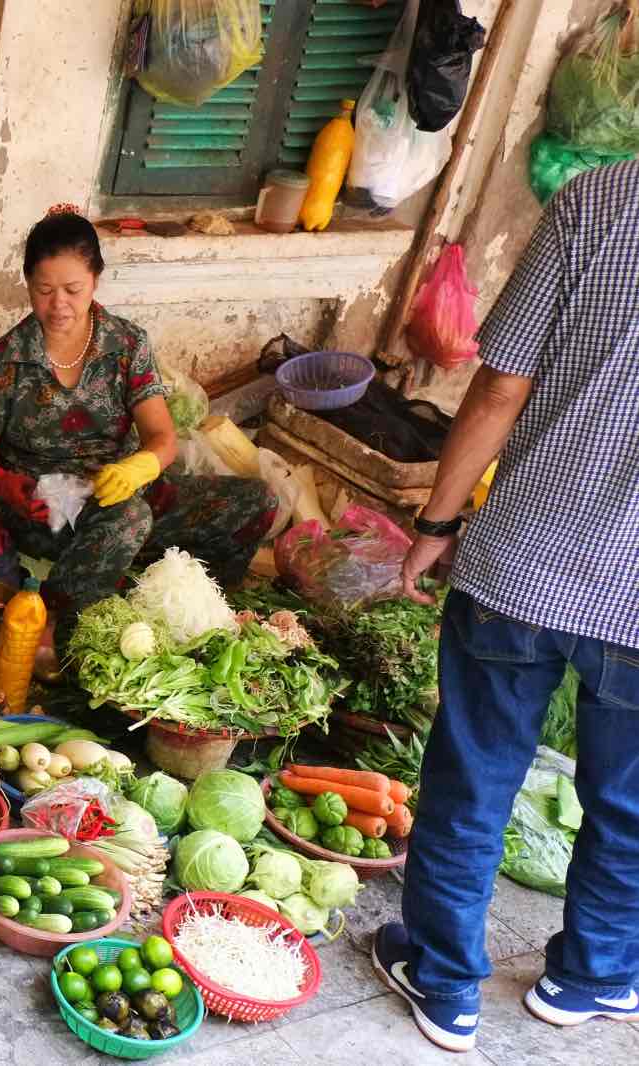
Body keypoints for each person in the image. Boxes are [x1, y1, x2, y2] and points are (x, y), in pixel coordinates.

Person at [373, 161, 639, 1052]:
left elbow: (498, 385)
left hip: (524, 563)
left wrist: (436, 520)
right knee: (631, 802)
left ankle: (445, 984)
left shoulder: (598, 202)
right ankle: (593, 975)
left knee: (474, 778)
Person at [0, 206, 277, 655]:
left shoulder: (127, 344)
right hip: (44, 504)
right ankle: (51, 628)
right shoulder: (5, 358)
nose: (59, 305)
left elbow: (162, 438)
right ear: (28, 283)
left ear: (96, 281)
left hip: (124, 488)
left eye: (73, 289)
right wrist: (7, 486)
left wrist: (138, 467)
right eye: (44, 290)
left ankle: (204, 615)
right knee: (129, 520)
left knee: (255, 501)